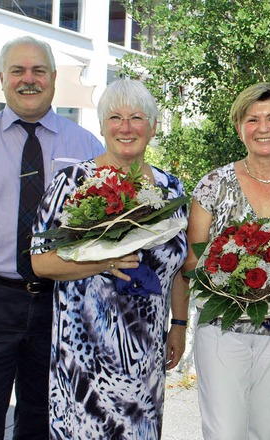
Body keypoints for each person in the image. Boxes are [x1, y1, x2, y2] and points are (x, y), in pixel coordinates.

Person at [0, 36, 104, 439]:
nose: (28, 79)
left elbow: (105, 233)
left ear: (54, 78)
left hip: (62, 301)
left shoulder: (88, 147)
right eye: (18, 71)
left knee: (44, 419)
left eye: (38, 70)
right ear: (2, 78)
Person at [29, 78, 188, 439]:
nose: (126, 127)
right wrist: (103, 262)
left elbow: (180, 266)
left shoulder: (170, 189)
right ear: (102, 126)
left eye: (137, 117)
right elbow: (40, 262)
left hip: (144, 354)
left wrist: (179, 326)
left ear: (153, 127)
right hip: (84, 356)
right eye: (115, 117)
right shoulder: (72, 183)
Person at [183, 82, 270, 439]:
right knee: (225, 432)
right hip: (221, 330)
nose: (263, 127)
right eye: (252, 119)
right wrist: (234, 287)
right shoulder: (214, 184)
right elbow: (191, 263)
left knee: (265, 431)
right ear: (239, 128)